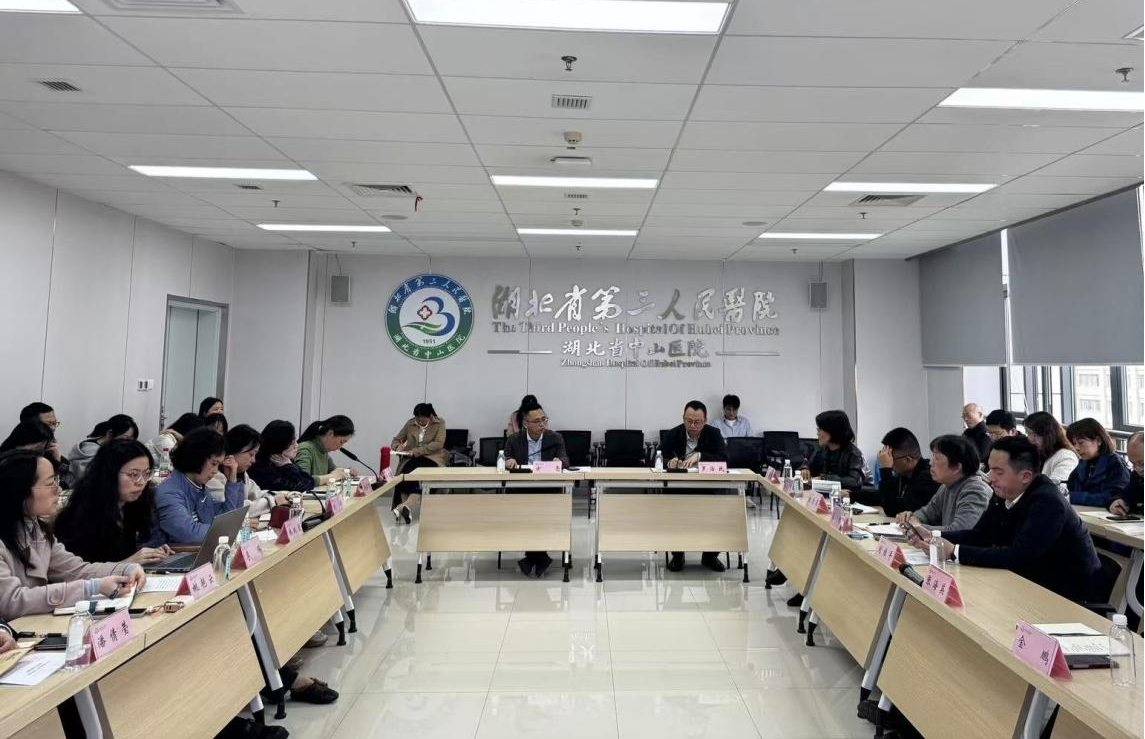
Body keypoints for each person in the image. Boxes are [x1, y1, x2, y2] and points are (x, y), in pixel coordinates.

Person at [908, 435, 1100, 603]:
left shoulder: (1048, 503)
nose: (990, 477)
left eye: (998, 472)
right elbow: (981, 535)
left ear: (1025, 476)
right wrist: (933, 535)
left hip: (1063, 596)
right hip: (1024, 583)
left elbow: (1018, 556)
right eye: (990, 469)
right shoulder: (1004, 493)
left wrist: (954, 552)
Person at [0, 450, 147, 620]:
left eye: (57, 480)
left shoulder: (36, 529)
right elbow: (10, 601)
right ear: (20, 491)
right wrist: (89, 588)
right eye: (50, 483)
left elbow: (76, 570)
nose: (59, 489)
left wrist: (125, 569)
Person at [53, 440, 174, 565]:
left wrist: (150, 552)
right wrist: (128, 563)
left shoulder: (134, 506)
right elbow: (77, 572)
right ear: (109, 474)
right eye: (133, 474)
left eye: (147, 474)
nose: (141, 482)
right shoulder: (76, 519)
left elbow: (125, 553)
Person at [661, 400, 728, 573]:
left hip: (708, 488)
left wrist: (701, 456)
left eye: (697, 422)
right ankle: (678, 555)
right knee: (673, 512)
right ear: (683, 418)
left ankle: (710, 556)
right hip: (678, 488)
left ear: (705, 420)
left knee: (720, 511)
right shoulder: (673, 433)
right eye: (688, 421)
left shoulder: (714, 433)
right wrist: (669, 462)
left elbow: (724, 459)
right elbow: (658, 458)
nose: (692, 425)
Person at [504, 401, 569, 577]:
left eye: (544, 419)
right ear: (526, 424)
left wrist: (559, 461)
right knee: (529, 512)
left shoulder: (555, 438)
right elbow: (506, 457)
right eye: (537, 421)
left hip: (548, 489)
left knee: (539, 512)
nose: (542, 424)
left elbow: (565, 459)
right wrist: (509, 461)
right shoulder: (514, 439)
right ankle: (541, 558)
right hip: (522, 489)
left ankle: (531, 558)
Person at [151, 428, 246, 546]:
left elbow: (227, 518)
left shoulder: (198, 487)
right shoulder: (169, 491)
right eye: (213, 464)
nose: (216, 471)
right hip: (173, 554)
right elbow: (188, 534)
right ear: (197, 457)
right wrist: (228, 530)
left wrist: (232, 482)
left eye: (218, 465)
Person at [894, 435, 991, 532]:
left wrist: (916, 527)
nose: (930, 463)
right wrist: (910, 518)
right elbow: (926, 514)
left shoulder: (976, 490)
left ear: (957, 467)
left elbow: (959, 531)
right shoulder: (946, 486)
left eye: (936, 458)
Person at [207, 425, 290, 517]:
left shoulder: (241, 473)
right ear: (235, 449)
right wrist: (272, 501)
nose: (253, 460)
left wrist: (288, 495)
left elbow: (257, 494)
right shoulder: (213, 477)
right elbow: (236, 510)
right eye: (251, 454)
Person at [858, 427, 941, 516]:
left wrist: (886, 470)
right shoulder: (906, 474)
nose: (888, 463)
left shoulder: (927, 478)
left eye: (890, 459)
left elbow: (893, 509)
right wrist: (851, 495)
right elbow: (881, 496)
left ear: (907, 460)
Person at [390, 404, 446, 524]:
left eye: (423, 420)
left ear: (430, 416)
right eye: (417, 419)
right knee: (404, 476)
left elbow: (438, 443)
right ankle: (405, 507)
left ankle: (403, 506)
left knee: (419, 477)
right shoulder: (410, 423)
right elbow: (396, 440)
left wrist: (417, 451)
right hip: (411, 458)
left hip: (432, 457)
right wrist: (397, 446)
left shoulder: (440, 423)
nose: (419, 422)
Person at [1066, 418, 1130, 508]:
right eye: (1074, 443)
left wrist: (1073, 497)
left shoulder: (1115, 463)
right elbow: (1070, 488)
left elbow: (1113, 497)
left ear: (1098, 441)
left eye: (1081, 443)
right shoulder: (1082, 463)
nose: (1076, 448)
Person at [806, 410, 872, 493]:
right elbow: (809, 465)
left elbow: (855, 482)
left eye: (819, 430)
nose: (817, 434)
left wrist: (825, 478)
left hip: (859, 498)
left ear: (831, 431)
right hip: (833, 494)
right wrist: (805, 469)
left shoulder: (854, 454)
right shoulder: (823, 450)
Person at [66, 414, 139, 483]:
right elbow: (93, 480)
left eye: (131, 441)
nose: (128, 444)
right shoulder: (90, 450)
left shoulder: (109, 449)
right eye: (125, 439)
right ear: (110, 433)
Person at [249, 420, 316, 493]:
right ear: (279, 445)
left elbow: (311, 482)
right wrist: (289, 467)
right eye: (292, 443)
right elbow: (301, 488)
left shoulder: (285, 461)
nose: (297, 446)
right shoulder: (262, 467)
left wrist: (289, 465)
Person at [1023, 412, 1078, 496]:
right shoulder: (1040, 453)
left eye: (1034, 434)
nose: (1030, 439)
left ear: (1048, 434)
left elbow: (1055, 490)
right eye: (1028, 433)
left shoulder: (1066, 457)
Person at [296, 415, 355, 487]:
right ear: (330, 433)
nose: (340, 447)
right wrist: (332, 477)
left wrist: (347, 472)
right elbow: (302, 480)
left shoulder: (323, 452)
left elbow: (335, 471)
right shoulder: (305, 448)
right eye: (341, 442)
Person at [1110, 432, 1143, 516]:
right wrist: (1117, 502)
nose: (1138, 469)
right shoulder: (1137, 476)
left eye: (1142, 464)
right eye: (1133, 464)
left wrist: (1135, 507)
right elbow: (1126, 495)